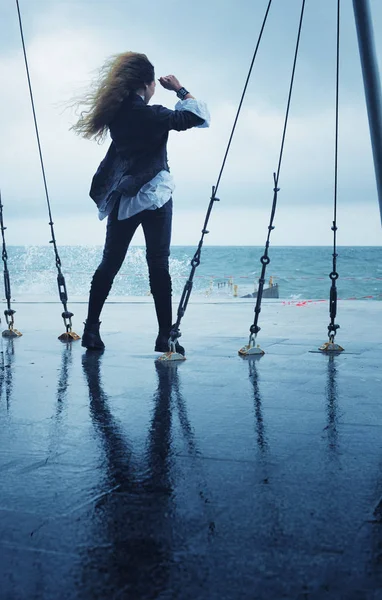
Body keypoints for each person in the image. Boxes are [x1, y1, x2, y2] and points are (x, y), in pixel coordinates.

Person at [71, 52, 210, 354]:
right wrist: (180, 89)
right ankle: (164, 336)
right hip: (154, 196)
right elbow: (199, 117)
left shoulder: (117, 115)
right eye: (154, 85)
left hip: (124, 197)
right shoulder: (152, 114)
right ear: (147, 84)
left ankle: (91, 330)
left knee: (110, 262)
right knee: (158, 264)